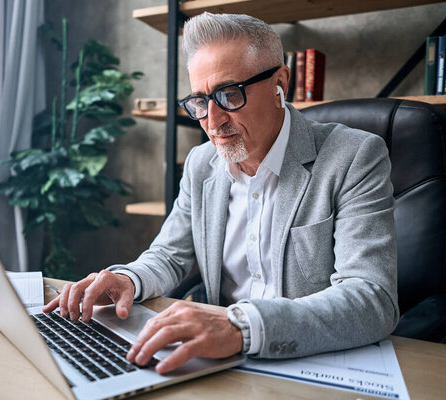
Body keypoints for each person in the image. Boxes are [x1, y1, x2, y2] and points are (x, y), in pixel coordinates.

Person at [44, 12, 399, 375]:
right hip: (218, 363)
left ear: (280, 84)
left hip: (311, 361)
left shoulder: (354, 157)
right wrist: (128, 279)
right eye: (200, 101)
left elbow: (371, 299)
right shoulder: (202, 164)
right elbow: (171, 256)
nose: (212, 123)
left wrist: (241, 327)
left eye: (230, 94)